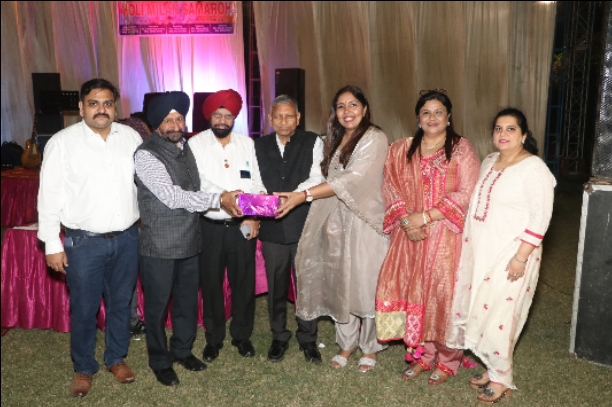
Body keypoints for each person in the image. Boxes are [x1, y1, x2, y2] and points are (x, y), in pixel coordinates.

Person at [38, 78, 142, 397]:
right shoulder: (62, 142)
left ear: (115, 107)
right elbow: (49, 196)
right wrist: (52, 243)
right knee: (84, 308)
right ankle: (83, 367)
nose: (101, 109)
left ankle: (116, 358)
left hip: (127, 238)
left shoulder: (131, 137)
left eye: (107, 103)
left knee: (121, 303)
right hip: (83, 243)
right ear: (81, 107)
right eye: (94, 103)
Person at [275, 85, 389, 372]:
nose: (346, 111)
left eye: (353, 105)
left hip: (365, 220)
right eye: (340, 106)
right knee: (342, 281)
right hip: (336, 218)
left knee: (366, 282)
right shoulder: (335, 139)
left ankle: (370, 346)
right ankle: (346, 343)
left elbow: (352, 180)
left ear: (364, 109)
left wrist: (303, 195)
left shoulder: (375, 138)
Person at [447, 108, 556, 404]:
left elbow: (541, 217)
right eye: (498, 128)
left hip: (513, 253)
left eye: (510, 129)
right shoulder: (489, 161)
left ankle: (501, 378)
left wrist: (521, 257)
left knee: (501, 316)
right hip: (483, 251)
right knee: (482, 310)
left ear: (524, 135)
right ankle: (492, 367)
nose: (503, 134)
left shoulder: (534, 168)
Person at [135, 91, 241, 386]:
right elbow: (172, 196)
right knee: (157, 308)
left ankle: (182, 350)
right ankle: (160, 360)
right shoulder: (146, 154)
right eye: (168, 120)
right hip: (159, 245)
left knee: (187, 303)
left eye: (179, 119)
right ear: (156, 123)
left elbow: (198, 184)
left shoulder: (185, 148)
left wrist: (227, 195)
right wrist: (219, 199)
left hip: (190, 240)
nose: (175, 125)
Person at [375, 90, 480, 385]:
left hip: (446, 236)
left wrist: (425, 216)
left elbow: (467, 191)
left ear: (449, 117)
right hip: (409, 235)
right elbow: (389, 185)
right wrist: (407, 220)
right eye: (426, 112)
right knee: (415, 292)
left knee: (443, 296)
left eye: (438, 112)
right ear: (418, 118)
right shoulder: (402, 149)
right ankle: (423, 354)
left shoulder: (461, 149)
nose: (432, 117)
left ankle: (448, 359)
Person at [188, 89, 265, 362]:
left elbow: (256, 182)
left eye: (228, 115)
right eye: (217, 115)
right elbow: (197, 182)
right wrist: (225, 196)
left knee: (243, 282)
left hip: (242, 224)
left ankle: (242, 336)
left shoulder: (247, 144)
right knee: (210, 284)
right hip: (209, 225)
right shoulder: (195, 144)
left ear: (235, 118)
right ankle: (214, 338)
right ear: (209, 116)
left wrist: (254, 216)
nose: (222, 120)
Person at [254, 95, 325, 364]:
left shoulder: (313, 141)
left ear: (298, 118)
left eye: (289, 116)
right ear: (270, 119)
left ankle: (308, 338)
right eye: (278, 116)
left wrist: (293, 196)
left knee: (306, 283)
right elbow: (254, 178)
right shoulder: (258, 145)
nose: (284, 121)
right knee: (276, 285)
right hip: (272, 226)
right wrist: (266, 198)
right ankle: (279, 336)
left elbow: (318, 176)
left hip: (304, 222)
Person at [120, 111, 153, 336]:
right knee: (136, 275)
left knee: (127, 277)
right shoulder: (138, 130)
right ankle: (137, 320)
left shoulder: (127, 130)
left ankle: (131, 321)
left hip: (132, 219)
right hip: (139, 220)